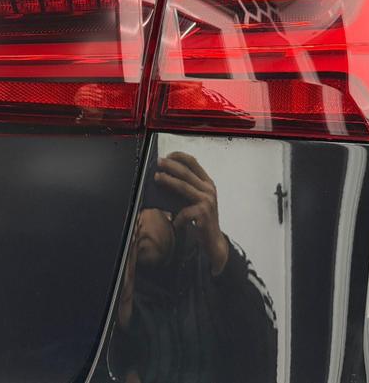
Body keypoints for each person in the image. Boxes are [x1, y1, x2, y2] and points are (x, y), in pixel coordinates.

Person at [106, 151, 278, 383]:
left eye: (142, 206)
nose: (135, 223)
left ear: (169, 210)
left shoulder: (214, 262)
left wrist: (223, 259)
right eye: (127, 214)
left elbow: (264, 353)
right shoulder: (119, 285)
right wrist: (121, 322)